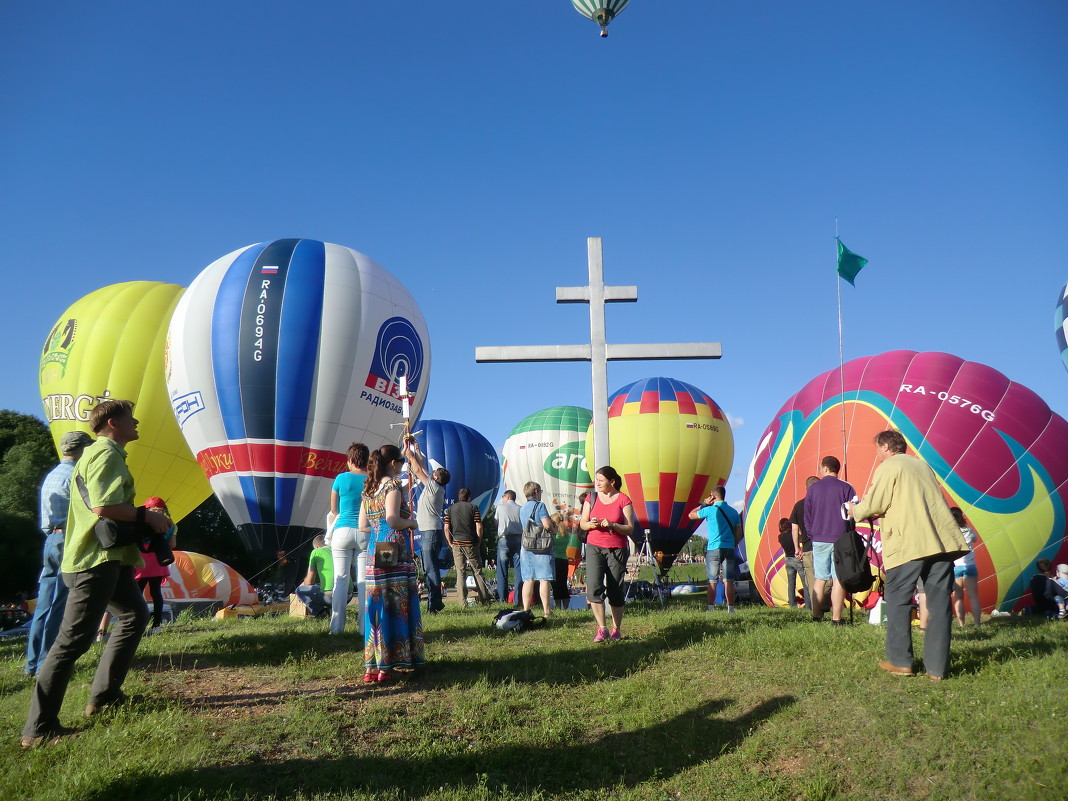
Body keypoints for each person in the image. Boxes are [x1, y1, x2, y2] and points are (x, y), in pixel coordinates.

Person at [21, 400, 172, 748]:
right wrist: (147, 517)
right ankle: (37, 728)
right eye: (130, 417)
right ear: (113, 423)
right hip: (94, 561)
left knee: (135, 614)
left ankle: (104, 697)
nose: (136, 421)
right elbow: (103, 506)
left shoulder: (100, 453)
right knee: (71, 642)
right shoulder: (105, 453)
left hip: (109, 558)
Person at [850, 429, 969, 680]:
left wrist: (854, 510)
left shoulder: (889, 466)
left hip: (908, 544)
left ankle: (901, 660)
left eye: (877, 450)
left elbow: (875, 503)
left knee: (898, 600)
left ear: (885, 447)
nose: (877, 455)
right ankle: (937, 669)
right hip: (939, 542)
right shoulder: (922, 466)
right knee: (938, 604)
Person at [24, 430, 93, 677]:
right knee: (59, 603)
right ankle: (47, 663)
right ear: (82, 449)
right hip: (68, 538)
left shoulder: (52, 475)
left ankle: (32, 663)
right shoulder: (76, 475)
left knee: (44, 602)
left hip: (51, 539)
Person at [358, 443, 423, 683]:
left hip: (375, 549)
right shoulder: (392, 485)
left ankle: (372, 666)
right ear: (394, 464)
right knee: (397, 604)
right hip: (394, 548)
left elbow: (363, 526)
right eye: (402, 463)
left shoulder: (368, 490)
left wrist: (380, 528)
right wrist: (412, 523)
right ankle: (391, 664)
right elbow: (393, 519)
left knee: (377, 605)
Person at [580, 466, 635, 642]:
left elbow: (629, 528)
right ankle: (602, 628)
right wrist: (592, 525)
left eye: (601, 480)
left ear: (612, 482)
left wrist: (612, 525)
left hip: (617, 549)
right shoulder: (592, 498)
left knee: (615, 590)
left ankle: (616, 629)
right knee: (594, 586)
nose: (597, 483)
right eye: (596, 480)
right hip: (594, 546)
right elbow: (583, 523)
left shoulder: (624, 500)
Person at [804, 456, 856, 625]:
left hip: (819, 538)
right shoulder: (847, 487)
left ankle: (816, 616)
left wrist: (813, 534)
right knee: (838, 579)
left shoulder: (813, 489)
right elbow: (853, 513)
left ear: (825, 468)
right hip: (841, 538)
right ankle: (837, 618)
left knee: (820, 579)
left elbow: (808, 516)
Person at [328, 443, 369, 635]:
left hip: (342, 530)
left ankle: (336, 628)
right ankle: (364, 628)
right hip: (364, 531)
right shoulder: (372, 480)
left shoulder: (341, 478)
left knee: (341, 580)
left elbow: (334, 509)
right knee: (363, 581)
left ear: (351, 460)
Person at [406, 439, 450, 613]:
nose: (431, 474)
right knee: (430, 568)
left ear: (437, 478)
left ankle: (434, 604)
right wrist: (416, 449)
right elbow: (423, 468)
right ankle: (435, 602)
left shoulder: (433, 487)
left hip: (429, 533)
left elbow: (417, 470)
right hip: (432, 532)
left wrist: (408, 454)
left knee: (430, 569)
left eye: (434, 473)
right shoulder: (435, 487)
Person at [689, 486, 741, 613]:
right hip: (728, 547)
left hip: (713, 548)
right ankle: (731, 608)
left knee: (712, 580)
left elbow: (690, 515)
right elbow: (739, 532)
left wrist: (703, 504)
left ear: (712, 496)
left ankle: (711, 608)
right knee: (729, 580)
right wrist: (733, 544)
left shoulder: (709, 510)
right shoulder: (733, 512)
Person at [135, 496, 176, 635]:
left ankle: (136, 623)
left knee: (137, 592)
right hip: (159, 561)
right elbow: (172, 545)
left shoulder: (144, 523)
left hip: (142, 561)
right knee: (156, 592)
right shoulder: (171, 525)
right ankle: (156, 624)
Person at [444, 488, 492, 606]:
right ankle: (484, 600)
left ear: (459, 497)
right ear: (469, 497)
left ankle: (462, 602)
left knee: (461, 572)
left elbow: (446, 528)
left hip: (457, 543)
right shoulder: (473, 508)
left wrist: (450, 542)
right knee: (477, 571)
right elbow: (479, 526)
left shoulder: (450, 510)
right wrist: (479, 540)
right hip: (471, 543)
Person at [519, 482, 554, 618]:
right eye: (540, 491)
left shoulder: (522, 508)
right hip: (542, 546)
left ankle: (526, 610)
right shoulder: (540, 506)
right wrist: (552, 526)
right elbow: (546, 524)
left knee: (528, 579)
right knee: (544, 579)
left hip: (526, 546)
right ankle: (547, 611)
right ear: (536, 491)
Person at [788, 476, 818, 610]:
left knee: (810, 580)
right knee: (827, 577)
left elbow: (794, 528)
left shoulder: (799, 505)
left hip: (807, 548)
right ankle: (827, 604)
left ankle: (814, 608)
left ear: (806, 488)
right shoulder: (823, 503)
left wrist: (797, 548)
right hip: (825, 544)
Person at [950, 507, 982, 627]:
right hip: (969, 566)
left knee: (958, 597)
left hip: (955, 567)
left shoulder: (950, 531)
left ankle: (962, 624)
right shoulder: (967, 530)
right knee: (973, 596)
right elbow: (975, 539)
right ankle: (977, 623)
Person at [494, 490, 524, 604]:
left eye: (503, 497)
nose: (502, 499)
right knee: (519, 571)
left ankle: (502, 599)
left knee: (502, 570)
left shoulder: (500, 507)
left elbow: (496, 523)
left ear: (507, 497)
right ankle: (518, 600)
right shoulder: (520, 509)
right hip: (518, 539)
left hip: (504, 539)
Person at [294, 533, 333, 618]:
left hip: (331, 596)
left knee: (299, 590)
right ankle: (332, 610)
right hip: (347, 595)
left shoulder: (316, 552)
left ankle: (321, 613)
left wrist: (304, 583)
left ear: (316, 547)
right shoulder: (338, 550)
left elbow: (309, 581)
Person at [777, 516, 808, 609]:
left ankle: (792, 604)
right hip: (796, 559)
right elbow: (801, 540)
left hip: (788, 560)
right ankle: (808, 604)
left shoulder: (780, 537)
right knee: (805, 583)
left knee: (791, 584)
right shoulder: (792, 534)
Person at [550, 512, 572, 610]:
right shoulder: (566, 534)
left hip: (554, 560)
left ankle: (558, 606)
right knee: (563, 584)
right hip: (564, 560)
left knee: (555, 585)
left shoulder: (553, 535)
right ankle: (566, 607)